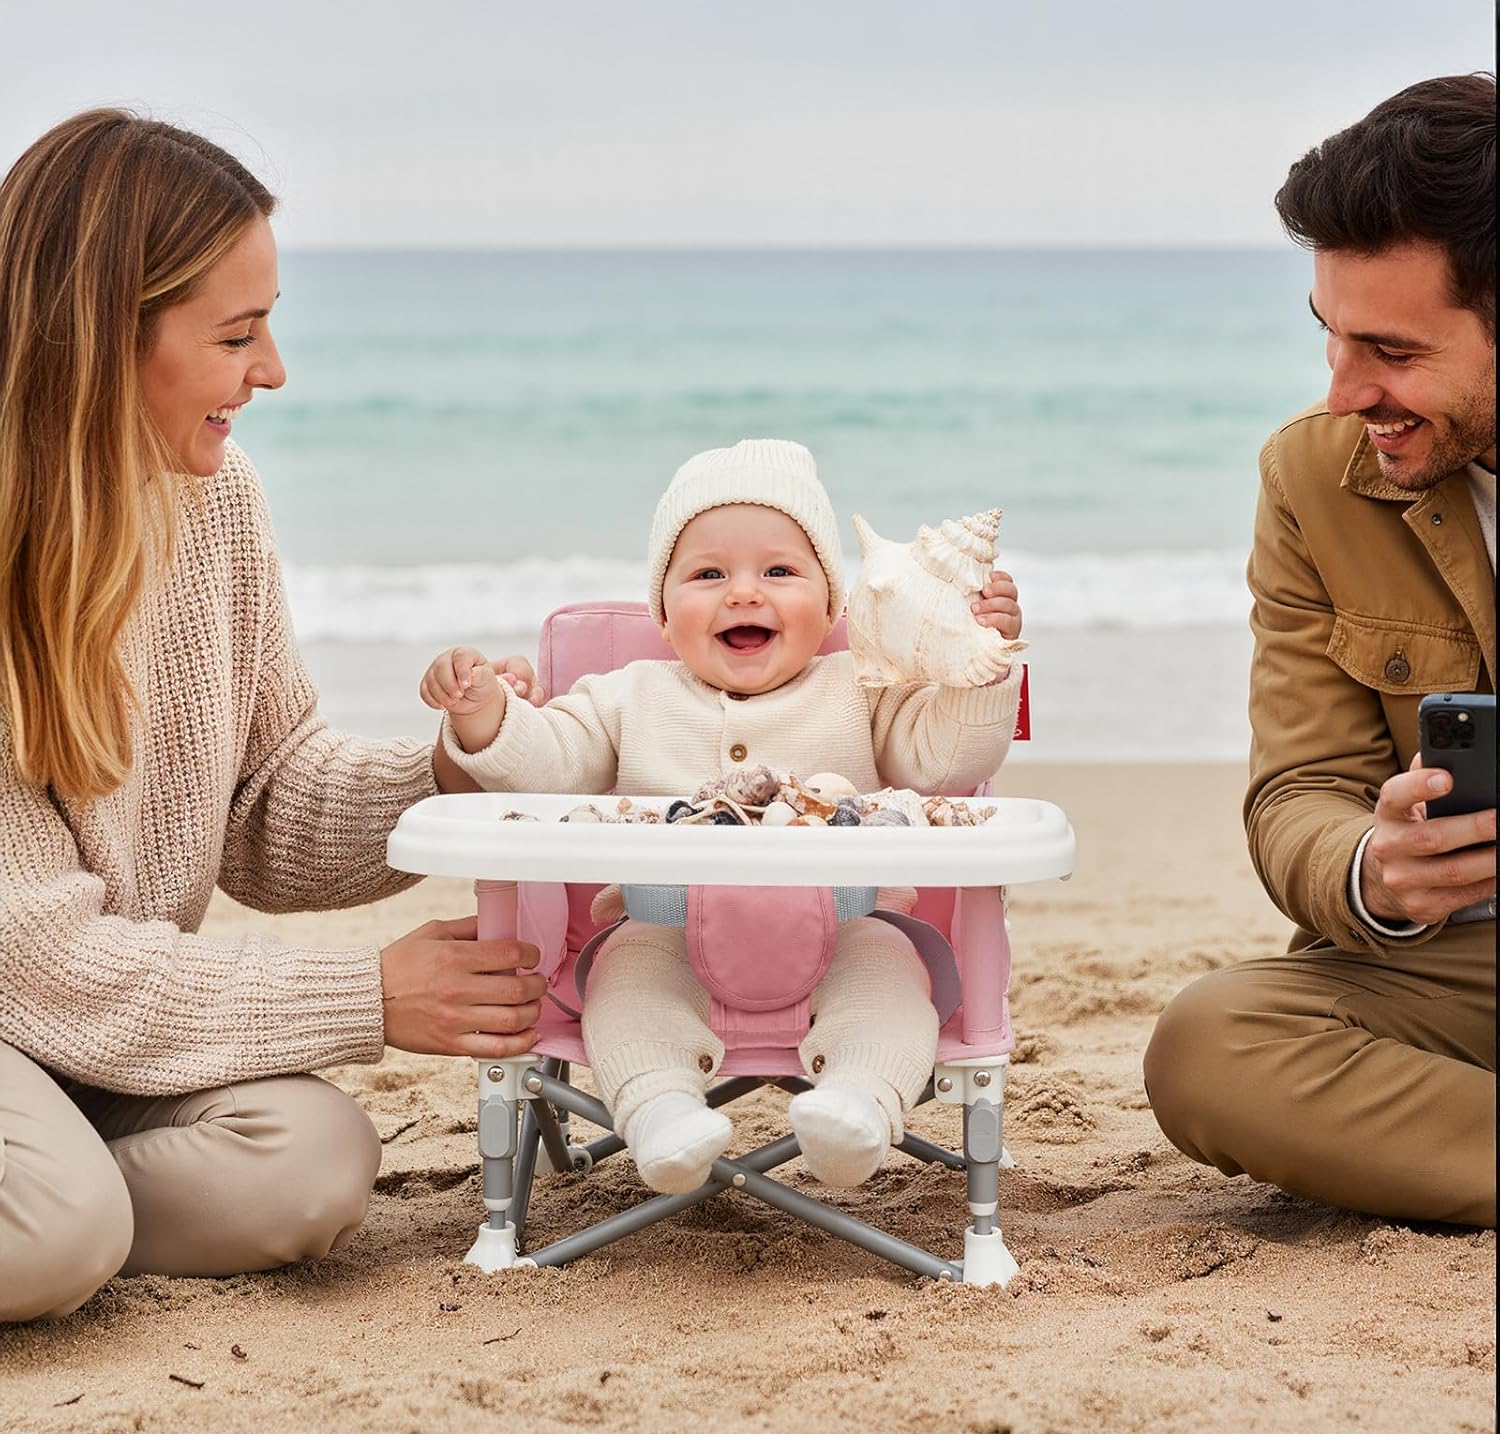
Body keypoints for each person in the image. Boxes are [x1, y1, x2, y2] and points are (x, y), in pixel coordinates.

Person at [0, 110, 549, 1325]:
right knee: (57, 1224)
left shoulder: (214, 501)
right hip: (21, 999)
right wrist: (367, 1000)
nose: (275, 371)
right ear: (100, 341)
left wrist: (462, 764)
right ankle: (57, 1215)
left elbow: (264, 801)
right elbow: (27, 953)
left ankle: (61, 1205)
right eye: (237, 334)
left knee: (310, 1162)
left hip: (75, 1034)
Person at [421, 439, 1024, 1193]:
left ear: (834, 605)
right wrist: (486, 714)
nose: (744, 593)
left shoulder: (865, 688)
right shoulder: (626, 695)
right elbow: (546, 766)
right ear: (664, 614)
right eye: (708, 575)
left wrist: (982, 665)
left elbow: (946, 761)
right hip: (661, 931)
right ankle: (661, 1115)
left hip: (848, 930)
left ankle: (858, 1111)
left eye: (779, 571)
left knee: (896, 987)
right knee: (621, 990)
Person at [1144, 75, 1496, 1227]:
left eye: (1388, 349)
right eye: (1330, 335)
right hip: (1460, 971)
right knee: (1211, 1048)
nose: (1344, 393)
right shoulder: (1313, 474)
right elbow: (1299, 788)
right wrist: (1371, 870)